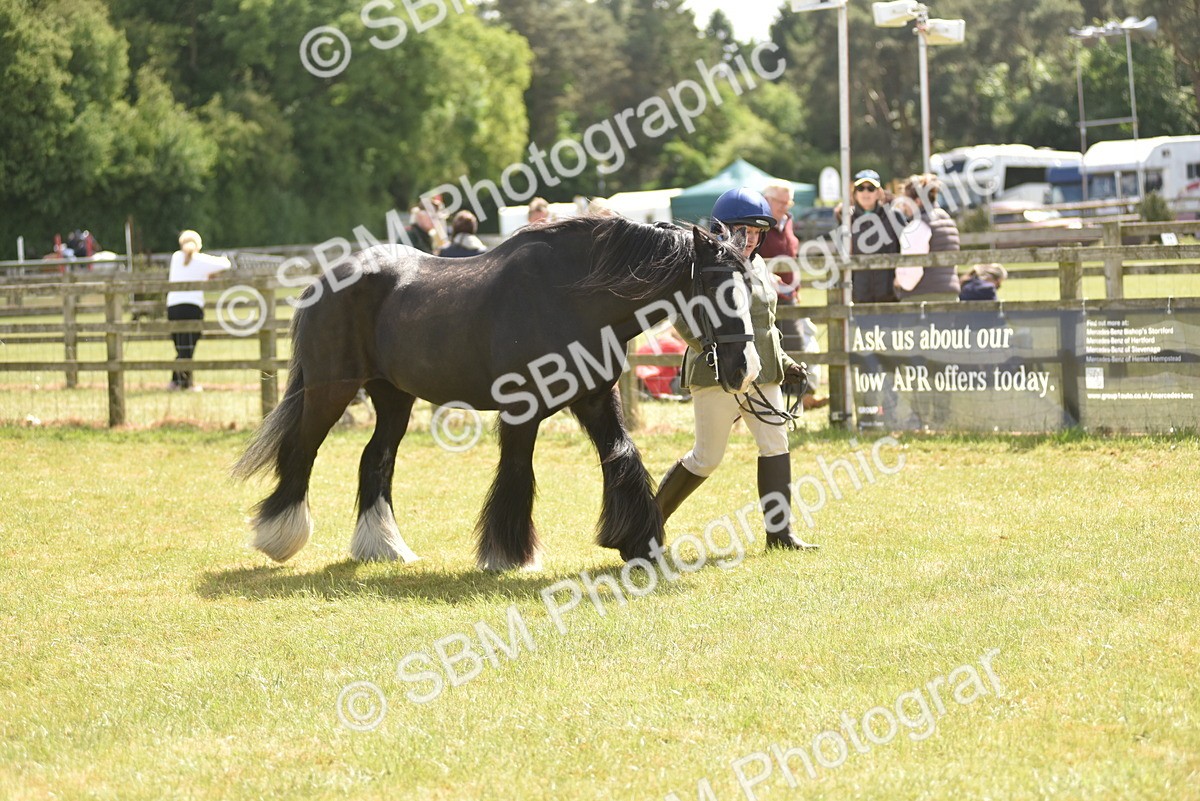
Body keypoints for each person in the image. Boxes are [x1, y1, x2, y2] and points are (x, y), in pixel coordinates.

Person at [655, 188, 817, 551]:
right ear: (722, 228)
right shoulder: (703, 266)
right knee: (706, 457)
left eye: (758, 233)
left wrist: (785, 362)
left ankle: (780, 533)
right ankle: (648, 524)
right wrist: (715, 353)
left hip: (762, 375)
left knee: (776, 443)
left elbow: (766, 324)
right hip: (716, 374)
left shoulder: (759, 266)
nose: (752, 239)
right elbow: (683, 319)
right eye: (744, 230)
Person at [760, 182, 827, 410]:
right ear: (767, 199)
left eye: (788, 202)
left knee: (797, 346)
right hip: (765, 297)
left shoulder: (786, 222)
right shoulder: (758, 223)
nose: (785, 206)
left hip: (788, 296)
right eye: (780, 201)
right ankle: (782, 400)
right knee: (772, 348)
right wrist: (765, 274)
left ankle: (801, 397)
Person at [166, 230, 230, 391]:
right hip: (191, 308)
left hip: (173, 307)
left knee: (181, 347)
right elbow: (225, 264)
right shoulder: (199, 259)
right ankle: (184, 384)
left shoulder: (176, 257)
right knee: (188, 347)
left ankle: (176, 382)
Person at [893, 173, 961, 302]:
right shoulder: (947, 219)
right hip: (950, 294)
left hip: (923, 295)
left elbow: (912, 271)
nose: (903, 206)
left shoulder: (918, 226)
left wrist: (899, 283)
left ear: (917, 202)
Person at [843, 169, 903, 303]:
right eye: (860, 188)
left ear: (878, 193)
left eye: (870, 188)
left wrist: (900, 277)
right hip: (860, 293)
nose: (865, 193)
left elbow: (907, 248)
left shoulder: (894, 216)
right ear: (854, 192)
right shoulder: (847, 220)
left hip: (890, 293)